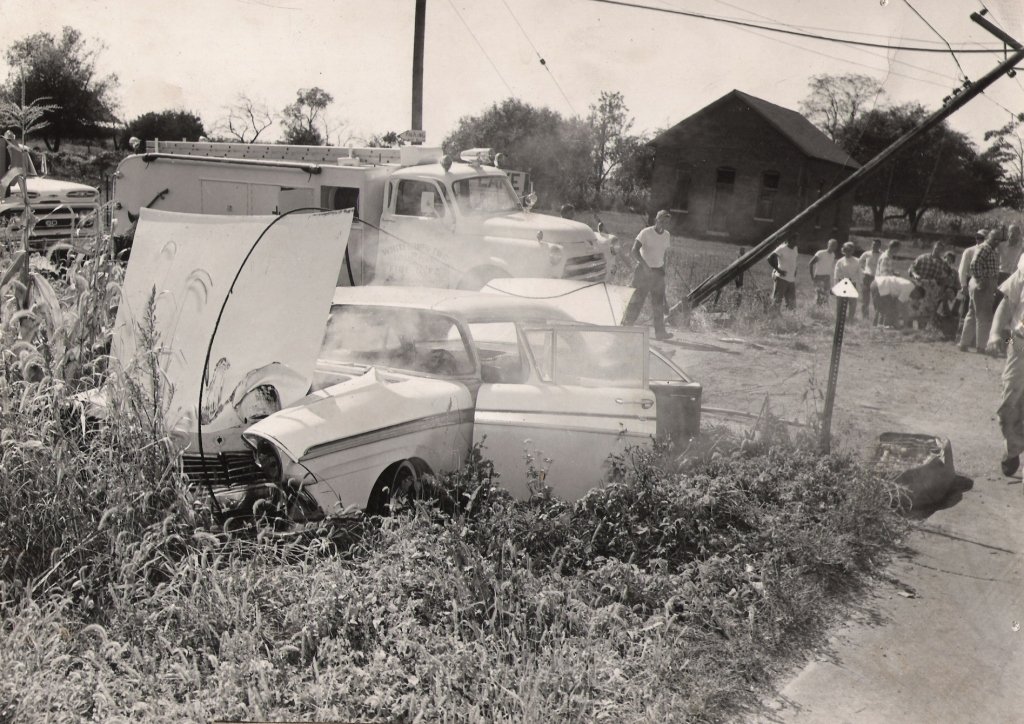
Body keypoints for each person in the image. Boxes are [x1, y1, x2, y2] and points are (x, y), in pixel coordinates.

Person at [986, 267, 1024, 475]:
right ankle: (1014, 448)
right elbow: (1007, 303)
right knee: (1008, 405)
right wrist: (994, 334)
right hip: (1018, 341)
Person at [621, 209, 673, 341]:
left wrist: (663, 269)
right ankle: (626, 328)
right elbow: (634, 251)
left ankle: (660, 333)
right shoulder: (646, 233)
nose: (663, 224)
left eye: (666, 222)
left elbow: (664, 255)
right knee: (637, 301)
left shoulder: (667, 235)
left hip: (658, 272)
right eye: (661, 221)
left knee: (658, 304)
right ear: (656, 220)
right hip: (643, 272)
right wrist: (645, 266)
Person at [960, 228, 1004, 352]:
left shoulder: (989, 249)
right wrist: (981, 280)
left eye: (998, 240)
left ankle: (964, 343)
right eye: (994, 239)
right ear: (988, 237)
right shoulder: (985, 248)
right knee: (984, 316)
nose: (996, 241)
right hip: (983, 283)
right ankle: (981, 346)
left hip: (982, 282)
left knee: (972, 314)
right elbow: (974, 265)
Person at [909, 241, 958, 325]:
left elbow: (948, 276)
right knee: (914, 306)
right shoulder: (923, 257)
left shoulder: (942, 263)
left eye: (940, 249)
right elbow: (912, 268)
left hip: (932, 288)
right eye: (936, 248)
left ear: (942, 251)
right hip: (919, 285)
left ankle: (922, 329)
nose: (937, 250)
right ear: (933, 247)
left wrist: (943, 285)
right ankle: (909, 327)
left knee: (927, 309)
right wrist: (915, 275)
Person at [959, 229, 986, 332]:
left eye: (982, 238)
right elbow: (962, 269)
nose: (979, 240)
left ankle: (975, 336)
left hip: (985, 282)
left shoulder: (992, 252)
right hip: (971, 280)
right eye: (978, 237)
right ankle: (961, 333)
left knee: (981, 309)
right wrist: (963, 285)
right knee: (967, 308)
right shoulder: (969, 251)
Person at [833, 241, 862, 321]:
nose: (848, 252)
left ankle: (850, 319)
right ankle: (840, 318)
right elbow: (836, 274)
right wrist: (837, 284)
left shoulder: (857, 261)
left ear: (853, 251)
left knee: (852, 303)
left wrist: (861, 285)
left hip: (852, 283)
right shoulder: (840, 261)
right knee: (840, 303)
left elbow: (860, 274)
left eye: (850, 250)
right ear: (843, 250)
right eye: (846, 250)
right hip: (842, 283)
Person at [768, 235, 799, 310]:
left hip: (791, 280)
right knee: (777, 301)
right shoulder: (782, 248)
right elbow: (770, 258)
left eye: (796, 240)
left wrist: (795, 271)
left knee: (792, 304)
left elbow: (794, 260)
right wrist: (778, 270)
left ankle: (788, 319)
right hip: (781, 279)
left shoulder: (795, 248)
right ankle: (772, 317)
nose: (796, 242)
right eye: (795, 240)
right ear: (789, 240)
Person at [809, 238, 839, 306]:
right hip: (819, 276)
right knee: (819, 295)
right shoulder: (820, 253)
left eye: (835, 246)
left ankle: (823, 311)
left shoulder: (833, 255)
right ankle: (815, 311)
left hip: (827, 277)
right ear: (828, 245)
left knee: (826, 295)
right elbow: (810, 263)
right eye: (832, 245)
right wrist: (812, 277)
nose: (833, 247)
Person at [858, 238, 882, 319]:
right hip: (867, 277)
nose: (874, 246)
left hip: (877, 279)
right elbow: (859, 263)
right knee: (865, 299)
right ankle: (865, 317)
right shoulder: (866, 254)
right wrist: (863, 270)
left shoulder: (882, 255)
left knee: (877, 299)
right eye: (873, 244)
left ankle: (876, 318)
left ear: (879, 246)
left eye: (876, 245)